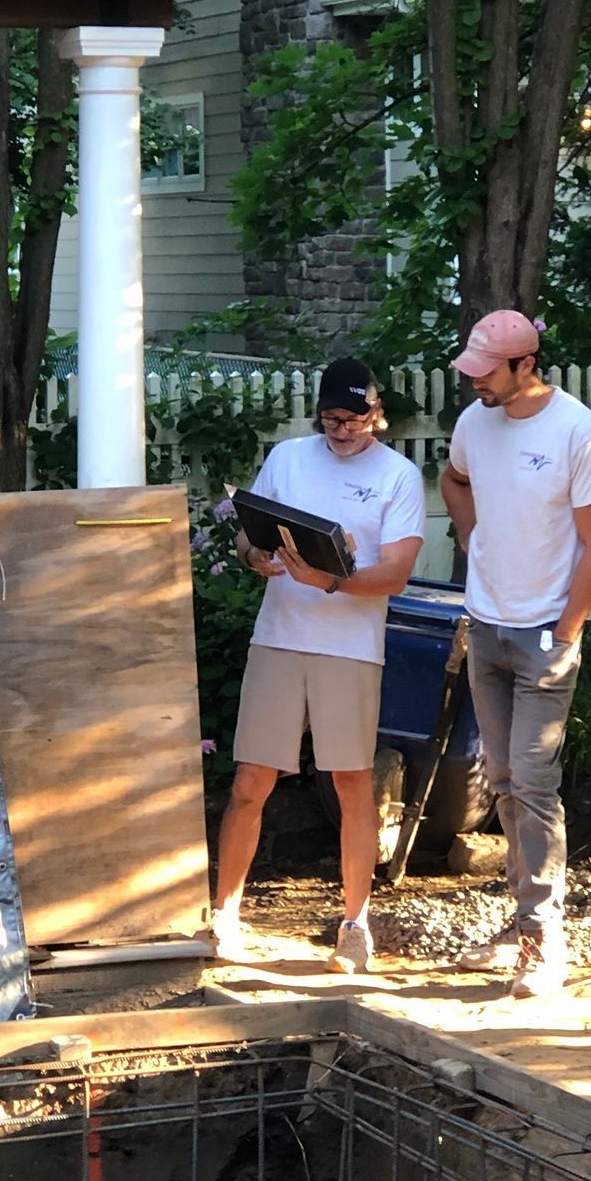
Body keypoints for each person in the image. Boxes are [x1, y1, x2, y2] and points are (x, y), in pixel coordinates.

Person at [212, 359, 426, 973]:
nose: (342, 429)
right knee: (251, 780)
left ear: (377, 414)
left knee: (352, 784)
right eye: (332, 417)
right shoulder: (287, 457)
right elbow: (248, 537)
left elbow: (397, 573)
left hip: (351, 648)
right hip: (278, 636)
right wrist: (257, 556)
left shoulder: (398, 475)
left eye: (355, 418)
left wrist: (330, 580)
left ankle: (355, 924)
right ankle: (226, 913)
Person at [440, 311, 591, 999]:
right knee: (505, 780)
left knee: (534, 787)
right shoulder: (474, 425)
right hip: (484, 625)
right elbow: (456, 481)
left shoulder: (577, 432)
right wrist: (475, 540)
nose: (475, 380)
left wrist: (567, 630)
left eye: (487, 370)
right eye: (473, 368)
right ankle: (522, 923)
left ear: (525, 364)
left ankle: (546, 942)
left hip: (546, 631)